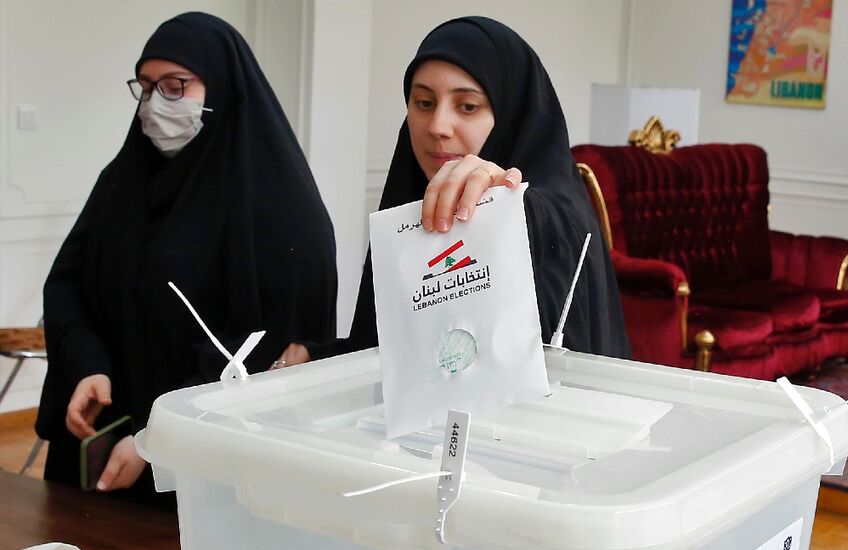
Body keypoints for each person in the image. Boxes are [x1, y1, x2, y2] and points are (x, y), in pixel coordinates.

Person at [36, 12, 337, 502]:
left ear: (220, 88)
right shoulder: (124, 182)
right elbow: (68, 283)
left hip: (203, 474)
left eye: (176, 86)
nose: (157, 104)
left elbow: (267, 346)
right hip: (104, 446)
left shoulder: (281, 209)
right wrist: (88, 364)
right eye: (147, 87)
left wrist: (160, 438)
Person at [275, 16, 629, 368]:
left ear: (510, 114)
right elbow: (401, 351)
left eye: (468, 106)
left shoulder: (556, 213)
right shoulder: (411, 193)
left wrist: (505, 202)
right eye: (424, 103)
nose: (438, 127)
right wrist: (319, 357)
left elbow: (550, 364)